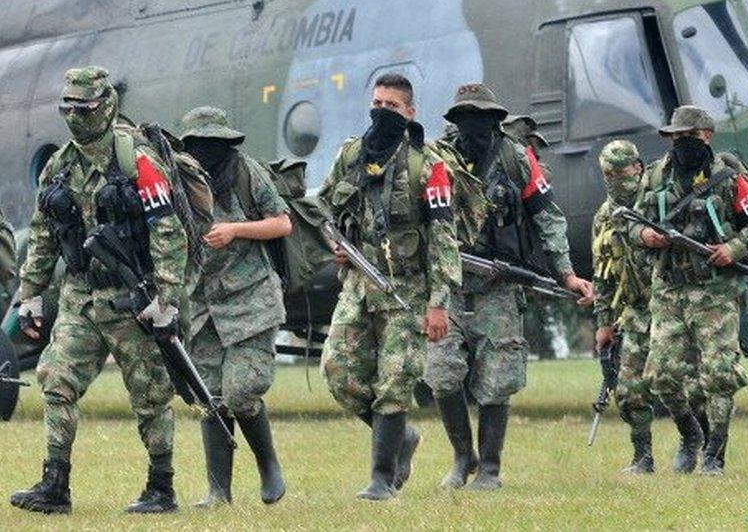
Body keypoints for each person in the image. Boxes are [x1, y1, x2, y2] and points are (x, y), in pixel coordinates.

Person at [10, 66, 187, 514]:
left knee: (150, 394)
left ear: (106, 106)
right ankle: (55, 485)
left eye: (84, 108)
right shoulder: (60, 166)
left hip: (133, 299)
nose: (75, 116)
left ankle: (161, 487)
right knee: (55, 379)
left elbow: (167, 230)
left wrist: (165, 298)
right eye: (67, 108)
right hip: (80, 296)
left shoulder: (137, 161)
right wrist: (29, 294)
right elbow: (45, 234)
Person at [425, 83, 593, 490]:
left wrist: (566, 273)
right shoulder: (436, 161)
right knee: (442, 374)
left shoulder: (517, 160)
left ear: (495, 120)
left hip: (500, 286)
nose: (473, 126)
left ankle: (491, 469)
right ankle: (463, 457)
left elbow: (547, 218)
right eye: (465, 117)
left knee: (498, 378)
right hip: (446, 285)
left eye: (481, 117)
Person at [317, 73, 461, 501]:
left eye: (392, 107)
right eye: (376, 103)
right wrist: (335, 245)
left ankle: (382, 480)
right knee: (338, 373)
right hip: (359, 285)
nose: (381, 111)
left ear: (410, 112)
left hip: (407, 292)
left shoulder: (428, 165)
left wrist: (439, 304)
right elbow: (321, 209)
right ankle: (403, 439)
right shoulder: (352, 155)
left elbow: (443, 239)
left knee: (395, 382)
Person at [624, 105, 748, 475]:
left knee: (719, 375)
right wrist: (646, 235)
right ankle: (691, 434)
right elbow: (629, 225)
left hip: (714, 292)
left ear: (707, 136)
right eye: (675, 136)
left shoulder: (728, 176)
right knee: (662, 377)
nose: (681, 143)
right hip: (669, 291)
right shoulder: (656, 174)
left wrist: (732, 249)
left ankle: (714, 456)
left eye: (688, 136)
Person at [179, 106, 292, 506]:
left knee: (242, 391)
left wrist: (235, 230)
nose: (208, 152)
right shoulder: (180, 181)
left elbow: (282, 223)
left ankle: (268, 465)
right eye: (199, 144)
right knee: (210, 398)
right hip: (204, 305)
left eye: (215, 143)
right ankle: (218, 492)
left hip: (251, 300)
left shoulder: (246, 172)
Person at [591, 140, 657, 473]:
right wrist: (603, 323)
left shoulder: (658, 201)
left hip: (672, 305)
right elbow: (602, 277)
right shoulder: (604, 217)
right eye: (609, 173)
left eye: (623, 170)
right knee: (629, 390)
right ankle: (642, 457)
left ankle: (694, 439)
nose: (617, 178)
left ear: (639, 167)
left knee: (679, 383)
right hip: (635, 313)